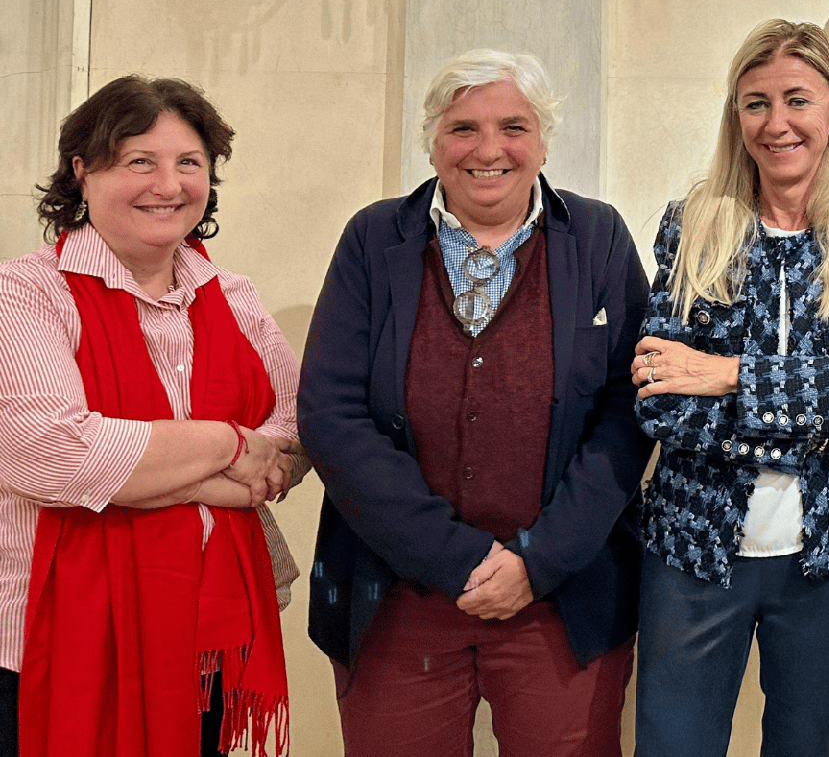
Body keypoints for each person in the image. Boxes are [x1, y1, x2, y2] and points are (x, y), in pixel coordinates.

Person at [299, 50, 651, 757]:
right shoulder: (374, 240)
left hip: (561, 596)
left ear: (545, 140)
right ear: (432, 140)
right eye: (464, 127)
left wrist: (536, 562)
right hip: (398, 596)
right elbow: (331, 415)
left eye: (513, 125)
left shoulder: (599, 238)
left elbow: (628, 409)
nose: (489, 149)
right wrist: (457, 557)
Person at [631, 19, 829, 757]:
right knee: (675, 743)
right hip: (695, 547)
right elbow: (660, 397)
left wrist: (725, 372)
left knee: (807, 743)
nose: (777, 122)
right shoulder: (691, 225)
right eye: (755, 102)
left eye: (798, 98)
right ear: (737, 117)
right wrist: (823, 395)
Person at [0, 75, 302, 757]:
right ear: (82, 170)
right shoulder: (23, 291)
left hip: (207, 644)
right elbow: (53, 455)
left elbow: (290, 436)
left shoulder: (234, 295)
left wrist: (145, 465)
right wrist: (226, 444)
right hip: (50, 643)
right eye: (140, 160)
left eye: (188, 162)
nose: (167, 183)